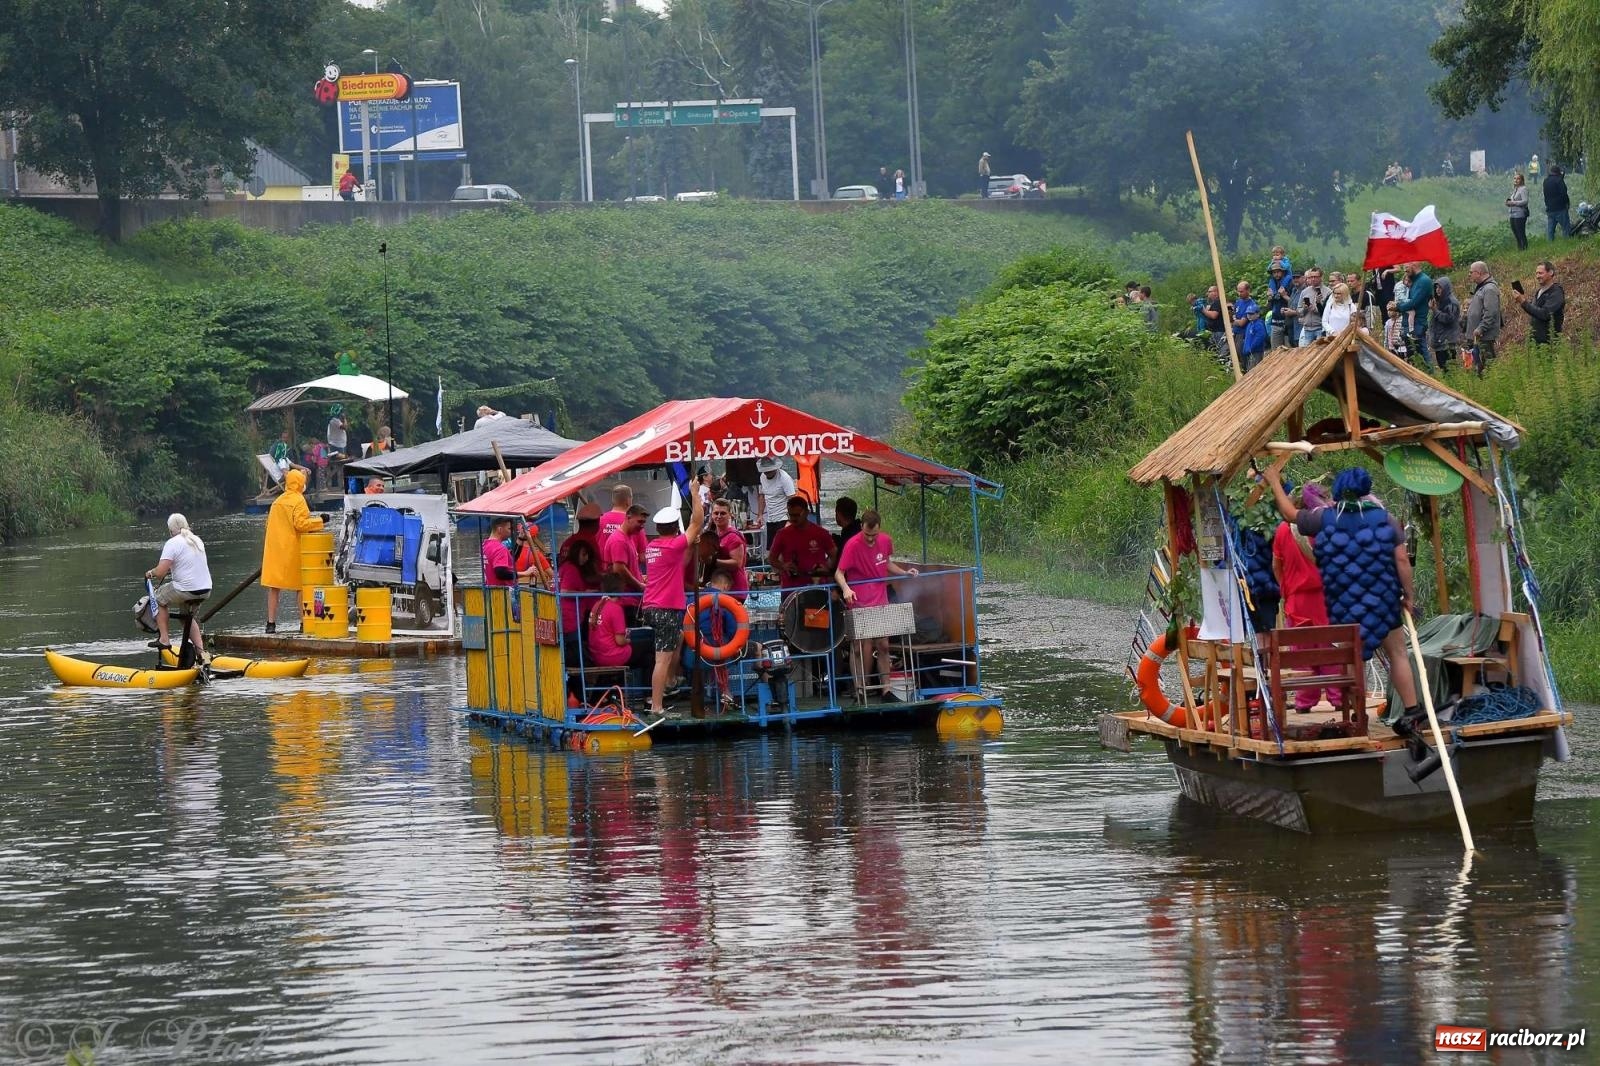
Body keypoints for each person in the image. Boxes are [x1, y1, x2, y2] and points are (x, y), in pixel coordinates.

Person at [1264, 466, 1421, 726]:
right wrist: (1408, 596)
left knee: (1351, 655)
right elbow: (1402, 560)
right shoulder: (1385, 518)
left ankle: (1355, 713)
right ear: (1365, 489)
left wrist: (1273, 482)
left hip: (1345, 605)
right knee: (1398, 654)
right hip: (1384, 601)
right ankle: (1413, 710)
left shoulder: (1324, 518)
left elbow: (1289, 514)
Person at [835, 510, 919, 700]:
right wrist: (846, 589)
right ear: (861, 528)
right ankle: (860, 688)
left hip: (880, 598)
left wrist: (904, 573)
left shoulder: (886, 541)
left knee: (883, 645)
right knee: (858, 646)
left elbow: (886, 563)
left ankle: (886, 689)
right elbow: (839, 573)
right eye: (867, 535)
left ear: (879, 530)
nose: (871, 539)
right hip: (859, 600)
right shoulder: (852, 544)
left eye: (874, 535)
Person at [1270, 484, 1337, 713]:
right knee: (1330, 649)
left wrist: (1285, 591)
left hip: (1296, 599)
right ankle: (1338, 697)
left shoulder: (1282, 530)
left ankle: (1304, 701)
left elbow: (1276, 565)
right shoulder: (1324, 528)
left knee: (1301, 652)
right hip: (1325, 597)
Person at [642, 492, 705, 715]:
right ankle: (657, 706)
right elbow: (698, 521)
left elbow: (678, 564)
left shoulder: (653, 547)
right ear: (675, 529)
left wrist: (689, 544)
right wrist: (695, 493)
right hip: (666, 609)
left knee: (671, 647)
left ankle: (664, 690)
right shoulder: (672, 546)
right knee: (663, 659)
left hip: (650, 607)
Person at [260, 468, 324, 633]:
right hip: (292, 549)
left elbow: (268, 525)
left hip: (275, 550)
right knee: (300, 586)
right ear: (300, 483)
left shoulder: (277, 501)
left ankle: (270, 624)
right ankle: (303, 622)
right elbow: (301, 524)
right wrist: (320, 521)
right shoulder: (299, 500)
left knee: (274, 587)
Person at [145, 513, 212, 660]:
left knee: (157, 599)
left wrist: (150, 573)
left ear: (170, 530)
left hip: (186, 589)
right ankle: (201, 652)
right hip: (205, 589)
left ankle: (164, 639)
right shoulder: (196, 540)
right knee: (186, 617)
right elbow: (188, 564)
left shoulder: (173, 542)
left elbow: (161, 572)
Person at [768, 495, 838, 590]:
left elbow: (834, 554)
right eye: (790, 515)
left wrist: (826, 568)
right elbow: (771, 559)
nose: (793, 519)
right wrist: (783, 566)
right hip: (791, 588)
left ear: (806, 513)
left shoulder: (821, 533)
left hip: (818, 587)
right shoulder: (782, 534)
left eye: (797, 515)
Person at [557, 538, 601, 669]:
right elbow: (564, 591)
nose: (586, 558)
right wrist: (586, 592)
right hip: (571, 619)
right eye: (584, 554)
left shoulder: (563, 567)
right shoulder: (572, 569)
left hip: (565, 616)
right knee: (576, 657)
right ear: (576, 553)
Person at [601, 504, 648, 602]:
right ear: (628, 518)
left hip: (630, 598)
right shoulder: (619, 540)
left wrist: (639, 576)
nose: (642, 526)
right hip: (625, 600)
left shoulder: (628, 537)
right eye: (639, 521)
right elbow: (619, 569)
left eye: (644, 522)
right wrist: (639, 585)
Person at [1514, 260, 1566, 345]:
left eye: (1540, 273)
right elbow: (1535, 311)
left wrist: (1523, 302)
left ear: (1550, 272)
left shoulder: (1556, 292)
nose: (1537, 276)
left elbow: (1545, 314)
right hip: (1535, 342)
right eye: (1536, 273)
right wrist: (1523, 301)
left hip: (1550, 343)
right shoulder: (1539, 291)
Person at [1465, 260, 1503, 374]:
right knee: (1479, 366)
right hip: (1477, 336)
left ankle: (1493, 385)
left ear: (1479, 272)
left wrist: (1481, 328)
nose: (1469, 275)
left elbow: (1491, 312)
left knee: (1488, 366)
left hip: (1484, 336)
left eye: (1471, 272)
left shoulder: (1490, 289)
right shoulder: (1481, 287)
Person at [753, 457, 796, 553]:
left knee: (784, 550)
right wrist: (760, 514)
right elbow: (762, 496)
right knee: (772, 550)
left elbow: (793, 500)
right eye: (765, 471)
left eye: (769, 470)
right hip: (771, 518)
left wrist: (790, 520)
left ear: (775, 468)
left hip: (783, 517)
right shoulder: (762, 477)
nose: (767, 473)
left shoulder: (784, 478)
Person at [709, 498, 749, 602]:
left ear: (730, 515)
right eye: (716, 513)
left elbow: (737, 563)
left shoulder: (733, 537)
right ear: (712, 515)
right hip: (720, 588)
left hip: (735, 590)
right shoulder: (714, 534)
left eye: (723, 513)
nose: (718, 516)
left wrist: (713, 561)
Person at [1393, 262, 1433, 357]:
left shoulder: (1424, 281)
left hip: (1417, 323)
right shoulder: (1413, 280)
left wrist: (1398, 307)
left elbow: (1414, 302)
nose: (1404, 270)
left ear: (1414, 266)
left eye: (1406, 267)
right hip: (1408, 322)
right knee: (1412, 355)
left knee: (1421, 354)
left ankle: (1427, 372)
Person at [599, 483, 646, 559]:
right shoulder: (636, 521)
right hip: (628, 569)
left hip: (603, 569)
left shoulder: (600, 520)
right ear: (628, 500)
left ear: (613, 500)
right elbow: (642, 556)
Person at [1231, 281, 1267, 372]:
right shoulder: (1238, 302)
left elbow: (1242, 323)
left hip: (1243, 335)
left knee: (1247, 361)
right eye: (1238, 291)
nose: (1239, 294)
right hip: (1236, 333)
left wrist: (1233, 321)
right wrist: (1234, 321)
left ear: (1248, 290)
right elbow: (1234, 316)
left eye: (1241, 291)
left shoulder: (1251, 305)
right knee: (1237, 356)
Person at [1429, 275, 1463, 371]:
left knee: (1449, 368)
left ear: (1446, 287)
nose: (1437, 290)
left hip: (1447, 342)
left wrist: (1434, 310)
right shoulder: (1441, 301)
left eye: (1440, 287)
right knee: (1443, 367)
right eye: (1436, 287)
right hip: (1440, 341)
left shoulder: (1451, 302)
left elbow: (1448, 319)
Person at [1289, 268, 1328, 345]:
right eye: (1311, 277)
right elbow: (1299, 311)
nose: (1313, 279)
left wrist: (1315, 309)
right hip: (1307, 329)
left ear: (1321, 277)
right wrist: (1304, 309)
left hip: (1320, 328)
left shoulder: (1328, 292)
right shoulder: (1305, 292)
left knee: (1319, 353)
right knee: (1306, 353)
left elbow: (1328, 313)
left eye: (1316, 277)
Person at [513, 522, 553, 588]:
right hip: (529, 590)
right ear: (535, 536)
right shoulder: (536, 554)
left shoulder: (510, 552)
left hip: (514, 587)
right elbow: (552, 575)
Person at [482, 516, 517, 589]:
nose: (512, 532)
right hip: (504, 592)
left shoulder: (485, 545)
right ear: (500, 529)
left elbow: (511, 558)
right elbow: (501, 573)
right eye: (509, 529)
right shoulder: (500, 548)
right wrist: (525, 573)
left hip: (491, 590)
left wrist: (520, 540)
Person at [1544, 164, 1571, 240]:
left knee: (1550, 230)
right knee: (1566, 228)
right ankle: (1567, 243)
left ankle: (1550, 245)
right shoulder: (1559, 180)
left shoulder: (1546, 181)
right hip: (1560, 208)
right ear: (1558, 172)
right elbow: (1564, 194)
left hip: (1550, 208)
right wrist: (1567, 203)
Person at [1506, 172, 1530, 250]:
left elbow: (1525, 201)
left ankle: (1524, 248)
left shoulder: (1523, 189)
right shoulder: (1515, 189)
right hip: (1512, 213)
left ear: (1522, 180)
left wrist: (1514, 203)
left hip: (1520, 214)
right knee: (1515, 232)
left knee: (1520, 232)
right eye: (1515, 178)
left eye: (1518, 178)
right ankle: (1520, 248)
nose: (1516, 180)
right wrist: (1508, 203)